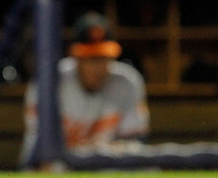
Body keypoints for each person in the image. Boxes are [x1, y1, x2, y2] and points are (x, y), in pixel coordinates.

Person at [21, 12, 149, 168]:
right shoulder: (50, 81)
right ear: (76, 57)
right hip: (60, 167)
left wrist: (99, 150)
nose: (98, 67)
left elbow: (135, 143)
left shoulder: (127, 81)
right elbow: (39, 148)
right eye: (91, 58)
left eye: (103, 58)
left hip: (106, 169)